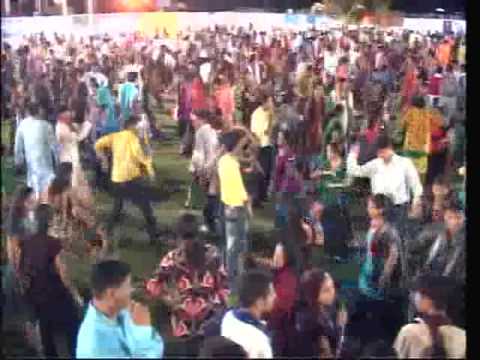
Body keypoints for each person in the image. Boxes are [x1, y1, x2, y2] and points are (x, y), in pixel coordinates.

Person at [13, 204, 83, 358]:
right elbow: (63, 274)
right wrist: (76, 295)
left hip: (36, 298)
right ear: (50, 221)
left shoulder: (26, 242)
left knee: (47, 336)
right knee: (72, 326)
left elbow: (21, 270)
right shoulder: (53, 244)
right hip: (55, 296)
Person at [145, 214, 228, 338]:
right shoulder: (172, 259)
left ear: (199, 236)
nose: (188, 242)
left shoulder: (213, 256)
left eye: (191, 237)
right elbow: (153, 285)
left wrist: (214, 305)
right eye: (184, 238)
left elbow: (224, 286)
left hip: (210, 324)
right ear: (178, 239)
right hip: (182, 325)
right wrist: (168, 299)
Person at [76, 260, 165, 358]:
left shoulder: (121, 311)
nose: (132, 290)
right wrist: (143, 332)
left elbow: (158, 344)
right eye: (128, 286)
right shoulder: (95, 347)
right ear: (112, 294)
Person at [95, 115, 160, 246]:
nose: (139, 128)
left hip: (117, 178)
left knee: (117, 208)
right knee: (145, 207)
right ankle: (154, 236)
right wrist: (150, 171)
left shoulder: (115, 136)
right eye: (137, 125)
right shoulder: (132, 138)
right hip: (131, 178)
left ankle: (105, 233)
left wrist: (103, 159)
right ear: (131, 126)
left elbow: (97, 144)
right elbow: (139, 155)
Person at [347, 135, 423, 237]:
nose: (380, 155)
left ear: (390, 148)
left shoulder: (405, 163)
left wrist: (416, 200)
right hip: (379, 209)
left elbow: (415, 184)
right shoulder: (375, 164)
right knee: (378, 240)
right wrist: (353, 154)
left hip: (399, 208)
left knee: (397, 239)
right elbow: (355, 170)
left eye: (382, 152)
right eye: (378, 153)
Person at [245, 242, 299, 357]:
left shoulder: (287, 278)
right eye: (275, 254)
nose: (275, 258)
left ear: (287, 257)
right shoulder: (278, 273)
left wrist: (262, 311)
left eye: (279, 255)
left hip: (277, 329)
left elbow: (281, 304)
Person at [394, 275, 466, 358]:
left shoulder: (409, 331)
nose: (413, 297)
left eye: (416, 292)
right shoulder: (462, 335)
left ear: (427, 297)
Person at [217, 131, 251, 294]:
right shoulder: (231, 164)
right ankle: (233, 283)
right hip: (236, 208)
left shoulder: (225, 160)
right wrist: (247, 203)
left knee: (230, 246)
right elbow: (238, 189)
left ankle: (227, 275)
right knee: (235, 247)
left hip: (227, 206)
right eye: (242, 144)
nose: (244, 148)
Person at [289, 268, 348, 358]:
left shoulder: (327, 306)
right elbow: (332, 352)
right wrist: (340, 327)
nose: (332, 292)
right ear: (313, 293)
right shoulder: (309, 324)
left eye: (332, 287)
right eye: (326, 290)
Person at [221, 270, 276, 358]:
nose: (275, 296)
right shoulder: (259, 341)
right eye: (271, 293)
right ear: (259, 301)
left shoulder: (228, 317)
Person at [14, 101, 58, 201]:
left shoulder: (22, 124)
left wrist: (18, 161)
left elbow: (18, 146)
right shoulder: (46, 126)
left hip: (31, 162)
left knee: (34, 185)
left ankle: (37, 207)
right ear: (39, 111)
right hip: (45, 162)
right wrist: (58, 160)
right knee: (47, 185)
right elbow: (54, 146)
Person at [190, 109, 220, 233]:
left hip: (208, 166)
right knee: (213, 194)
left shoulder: (201, 132)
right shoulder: (214, 130)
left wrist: (197, 170)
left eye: (194, 120)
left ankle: (210, 223)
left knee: (210, 195)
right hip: (217, 164)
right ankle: (212, 222)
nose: (193, 123)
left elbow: (199, 153)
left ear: (201, 120)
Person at [250, 94, 275, 207]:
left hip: (269, 145)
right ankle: (256, 198)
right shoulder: (257, 114)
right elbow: (259, 132)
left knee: (268, 171)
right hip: (260, 146)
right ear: (264, 102)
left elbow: (271, 131)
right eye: (270, 102)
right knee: (260, 173)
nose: (271, 104)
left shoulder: (270, 114)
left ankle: (263, 195)